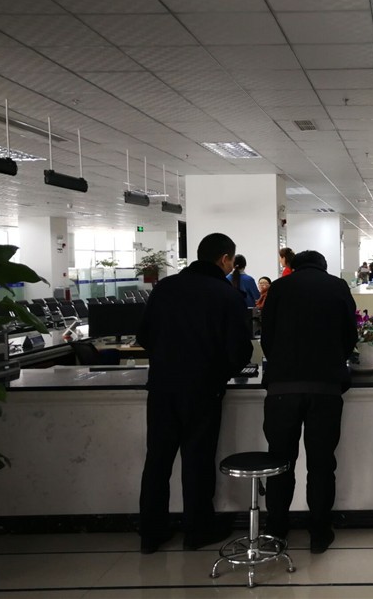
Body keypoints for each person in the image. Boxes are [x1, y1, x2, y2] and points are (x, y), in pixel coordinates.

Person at [138, 233, 253, 554]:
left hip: (162, 387)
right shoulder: (227, 295)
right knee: (197, 459)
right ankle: (197, 530)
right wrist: (219, 371)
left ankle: (151, 533)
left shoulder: (165, 288)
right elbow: (239, 351)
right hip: (203, 388)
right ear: (225, 259)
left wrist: (167, 358)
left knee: (157, 459)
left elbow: (144, 335)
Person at [260, 250, 358, 554]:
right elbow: (350, 335)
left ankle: (276, 529)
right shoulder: (337, 287)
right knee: (321, 464)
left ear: (294, 266)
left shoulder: (279, 287)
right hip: (325, 388)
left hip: (282, 388)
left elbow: (266, 336)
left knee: (280, 462)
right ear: (323, 267)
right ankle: (319, 532)